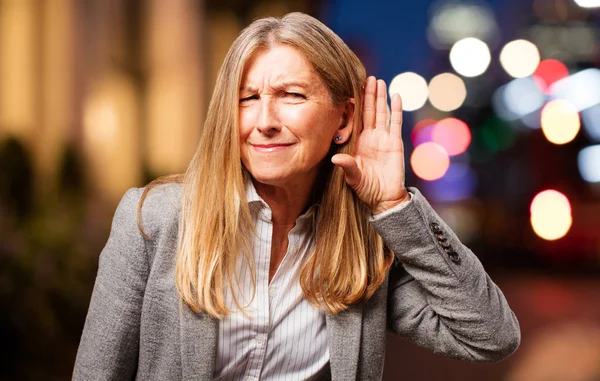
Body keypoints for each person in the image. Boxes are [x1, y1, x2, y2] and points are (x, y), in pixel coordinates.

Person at [73, 12, 520, 381]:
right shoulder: (153, 219)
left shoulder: (364, 248)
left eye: (290, 95)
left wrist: (394, 206)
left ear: (344, 120)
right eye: (248, 98)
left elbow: (491, 336)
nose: (264, 120)